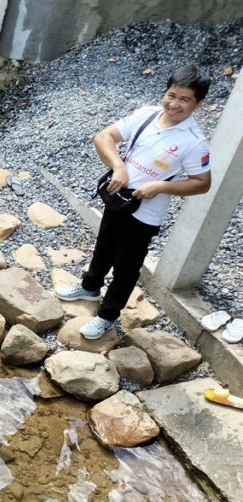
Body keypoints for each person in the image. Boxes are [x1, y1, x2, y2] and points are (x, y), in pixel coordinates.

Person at [57, 64, 213, 340]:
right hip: (118, 197)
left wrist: (162, 186)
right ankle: (90, 287)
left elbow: (202, 184)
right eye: (171, 95)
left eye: (184, 99)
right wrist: (118, 166)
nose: (174, 104)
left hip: (146, 213)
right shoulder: (146, 115)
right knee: (103, 245)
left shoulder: (194, 142)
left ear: (198, 104)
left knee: (126, 267)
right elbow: (104, 137)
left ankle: (107, 316)